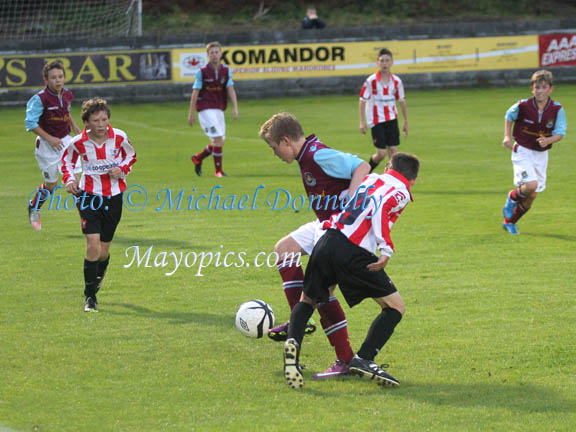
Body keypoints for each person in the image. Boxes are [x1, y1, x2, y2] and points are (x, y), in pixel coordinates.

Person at [282, 152, 420, 389]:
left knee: (308, 299)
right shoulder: (402, 191)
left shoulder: (371, 179)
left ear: (388, 167)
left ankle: (292, 345)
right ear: (413, 180)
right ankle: (364, 358)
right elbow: (380, 209)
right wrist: (386, 249)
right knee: (395, 307)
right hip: (354, 252)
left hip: (328, 239)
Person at [259, 112, 371, 379]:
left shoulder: (318, 155)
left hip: (343, 231)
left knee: (322, 294)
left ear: (285, 140)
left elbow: (362, 167)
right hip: (325, 225)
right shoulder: (306, 155)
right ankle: (300, 319)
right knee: (284, 249)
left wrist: (352, 205)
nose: (275, 154)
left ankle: (344, 358)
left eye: (274, 148)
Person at [61, 98, 137, 312]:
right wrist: (69, 179)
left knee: (103, 252)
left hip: (114, 197)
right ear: (86, 122)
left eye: (104, 119)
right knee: (92, 247)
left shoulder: (119, 137)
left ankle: (97, 279)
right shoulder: (78, 142)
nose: (102, 124)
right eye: (96, 120)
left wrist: (122, 169)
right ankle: (90, 297)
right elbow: (66, 162)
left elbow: (131, 156)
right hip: (88, 195)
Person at [501, 70, 567, 235]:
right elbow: (509, 116)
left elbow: (560, 133)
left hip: (541, 154)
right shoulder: (522, 105)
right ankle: (512, 197)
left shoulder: (557, 109)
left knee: (532, 196)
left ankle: (510, 222)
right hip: (522, 149)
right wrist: (507, 136)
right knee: (531, 185)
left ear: (550, 89)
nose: (540, 91)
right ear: (532, 88)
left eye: (544, 87)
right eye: (537, 87)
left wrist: (548, 140)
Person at [26, 60, 81, 231]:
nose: (58, 80)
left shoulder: (67, 94)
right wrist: (49, 139)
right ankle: (34, 208)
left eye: (60, 76)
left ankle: (86, 219)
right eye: (53, 77)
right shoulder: (39, 99)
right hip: (46, 146)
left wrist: (74, 126)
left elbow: (66, 111)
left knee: (76, 181)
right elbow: (31, 123)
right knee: (51, 185)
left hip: (65, 141)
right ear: (46, 80)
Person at [189, 41, 239, 178]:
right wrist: (191, 113)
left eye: (217, 52)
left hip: (219, 109)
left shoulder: (226, 71)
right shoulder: (202, 72)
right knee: (218, 138)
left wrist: (235, 107)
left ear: (221, 53)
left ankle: (198, 158)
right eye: (212, 53)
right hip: (205, 109)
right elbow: (195, 92)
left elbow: (230, 89)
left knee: (219, 141)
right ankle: (218, 172)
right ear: (208, 55)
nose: (214, 55)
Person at [359, 48, 408, 172]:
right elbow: (362, 100)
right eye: (382, 61)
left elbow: (401, 100)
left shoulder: (397, 81)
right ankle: (365, 172)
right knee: (381, 154)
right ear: (377, 62)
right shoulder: (371, 81)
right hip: (377, 121)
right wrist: (362, 122)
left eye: (387, 60)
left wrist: (405, 121)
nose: (384, 63)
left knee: (393, 153)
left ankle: (390, 179)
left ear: (392, 62)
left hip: (392, 119)